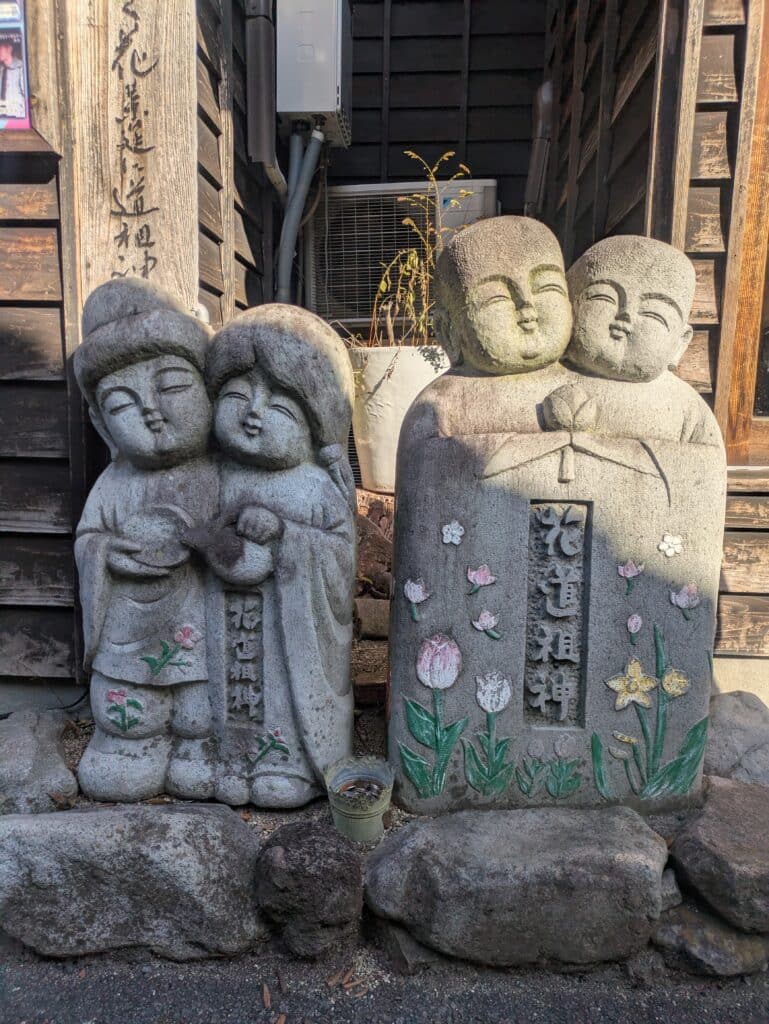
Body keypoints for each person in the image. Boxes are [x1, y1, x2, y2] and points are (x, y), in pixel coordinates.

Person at [194, 304, 356, 808]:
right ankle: (231, 757)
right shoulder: (212, 475)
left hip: (290, 632)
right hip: (226, 615)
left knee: (277, 693)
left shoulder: (312, 486)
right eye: (238, 396)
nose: (253, 413)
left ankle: (286, 763)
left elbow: (341, 555)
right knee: (230, 687)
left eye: (279, 408)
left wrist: (286, 535)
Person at [73, 278, 218, 802]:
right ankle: (128, 744)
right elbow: (88, 539)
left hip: (196, 625)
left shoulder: (218, 474)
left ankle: (196, 748)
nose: (151, 411)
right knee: (127, 710)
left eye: (173, 387)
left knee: (201, 708)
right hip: (129, 629)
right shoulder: (115, 484)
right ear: (102, 425)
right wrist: (108, 553)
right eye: (122, 404)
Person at [563, 234, 722, 446]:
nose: (625, 315)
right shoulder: (538, 384)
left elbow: (709, 469)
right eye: (605, 297)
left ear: (680, 343)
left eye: (652, 313)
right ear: (570, 306)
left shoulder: (686, 407)